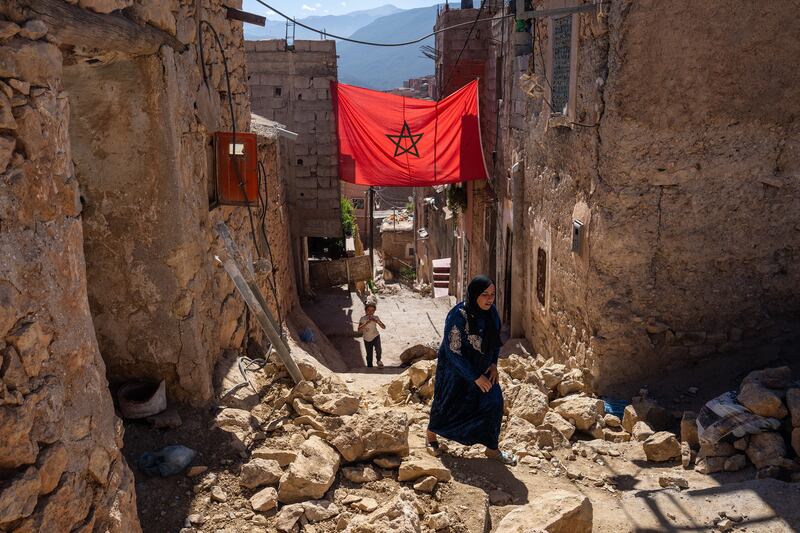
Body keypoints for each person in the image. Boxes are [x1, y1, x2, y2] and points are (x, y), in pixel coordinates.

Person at [426, 275, 517, 465]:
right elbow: (453, 351)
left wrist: (493, 365)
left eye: (492, 294)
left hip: (482, 367)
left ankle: (492, 448)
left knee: (494, 402)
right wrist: (474, 377)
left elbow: (494, 343)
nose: (489, 299)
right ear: (474, 294)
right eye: (484, 294)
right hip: (454, 369)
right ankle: (431, 436)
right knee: (446, 402)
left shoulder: (492, 314)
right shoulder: (457, 315)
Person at [358, 302, 386, 368]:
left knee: (378, 349)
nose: (370, 312)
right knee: (369, 353)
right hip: (367, 338)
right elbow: (359, 329)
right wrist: (366, 323)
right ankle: (369, 366)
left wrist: (377, 321)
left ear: (374, 311)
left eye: (372, 310)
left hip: (376, 336)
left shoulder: (376, 317)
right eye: (369, 310)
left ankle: (379, 361)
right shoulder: (363, 319)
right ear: (365, 311)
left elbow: (384, 327)